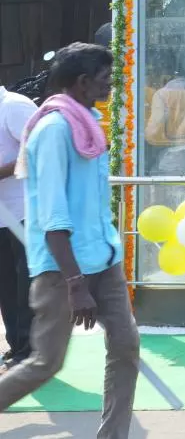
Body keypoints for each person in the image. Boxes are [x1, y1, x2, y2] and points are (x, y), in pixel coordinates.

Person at [0, 43, 139, 437]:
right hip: (64, 270)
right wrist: (77, 284)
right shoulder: (54, 129)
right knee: (46, 362)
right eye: (105, 79)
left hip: (103, 258)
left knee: (126, 345)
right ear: (82, 82)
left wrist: (107, 254)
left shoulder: (88, 120)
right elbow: (53, 214)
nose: (110, 85)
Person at [0, 83, 37, 369]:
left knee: (26, 285)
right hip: (3, 215)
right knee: (7, 286)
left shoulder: (13, 106)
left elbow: (37, 153)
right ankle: (17, 347)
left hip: (25, 211)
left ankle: (31, 352)